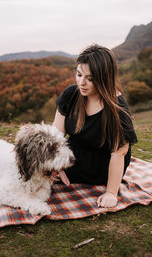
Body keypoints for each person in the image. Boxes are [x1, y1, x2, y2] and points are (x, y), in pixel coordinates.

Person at [52, 44, 137, 208]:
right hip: (73, 158)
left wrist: (111, 192)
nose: (81, 83)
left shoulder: (117, 107)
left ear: (104, 78)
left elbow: (119, 153)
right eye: (79, 75)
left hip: (102, 166)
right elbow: (56, 135)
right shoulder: (71, 94)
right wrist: (53, 165)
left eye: (90, 78)